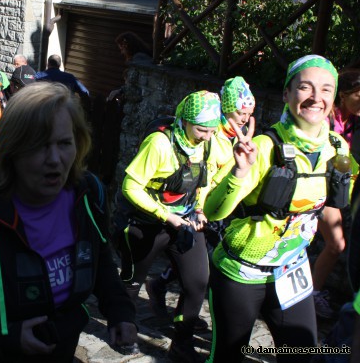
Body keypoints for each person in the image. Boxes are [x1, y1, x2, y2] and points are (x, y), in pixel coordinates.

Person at [0, 81, 137, 362]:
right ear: (12, 149)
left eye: (64, 143)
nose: (55, 159)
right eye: (38, 146)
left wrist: (120, 310)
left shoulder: (87, 193)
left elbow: (98, 257)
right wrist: (3, 334)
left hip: (60, 345)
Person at [204, 55, 350, 362]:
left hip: (291, 270)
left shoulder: (338, 148)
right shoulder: (265, 147)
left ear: (334, 98)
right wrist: (239, 172)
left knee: (301, 355)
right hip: (241, 272)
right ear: (287, 93)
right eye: (305, 88)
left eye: (326, 90)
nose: (316, 98)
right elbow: (214, 210)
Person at [118, 90, 221, 362]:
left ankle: (181, 343)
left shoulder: (207, 143)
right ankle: (123, 327)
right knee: (131, 282)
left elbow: (204, 178)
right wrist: (165, 215)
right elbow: (130, 185)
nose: (207, 136)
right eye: (202, 129)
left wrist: (199, 207)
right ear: (184, 120)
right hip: (146, 222)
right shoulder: (159, 144)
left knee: (198, 282)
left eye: (212, 130)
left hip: (184, 220)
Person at [146, 77, 256, 317]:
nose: (244, 117)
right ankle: (171, 300)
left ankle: (173, 302)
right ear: (227, 108)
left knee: (197, 265)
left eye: (248, 112)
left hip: (222, 202)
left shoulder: (241, 132)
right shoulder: (211, 133)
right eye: (240, 112)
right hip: (200, 204)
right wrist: (200, 207)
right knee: (198, 265)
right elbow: (201, 172)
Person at [311, 68, 360, 318]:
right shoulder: (326, 119)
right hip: (319, 188)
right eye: (358, 95)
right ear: (343, 95)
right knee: (336, 244)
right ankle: (312, 295)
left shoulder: (354, 120)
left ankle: (309, 294)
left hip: (341, 190)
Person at [107, 32, 150, 102]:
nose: (122, 52)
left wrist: (121, 91)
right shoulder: (139, 58)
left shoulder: (139, 59)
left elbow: (134, 83)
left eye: (122, 49)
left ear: (126, 46)